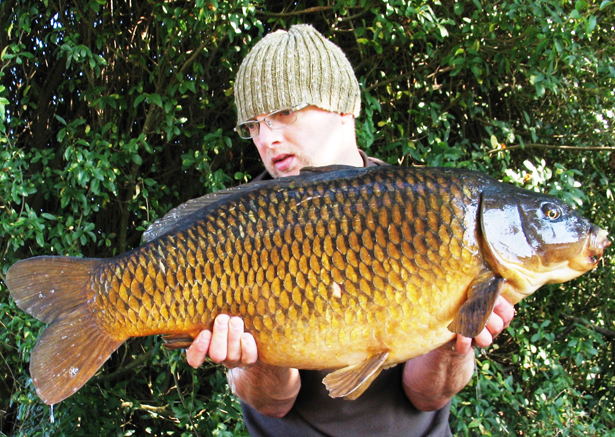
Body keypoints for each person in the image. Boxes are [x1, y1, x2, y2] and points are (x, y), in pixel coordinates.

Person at [185, 24, 515, 436]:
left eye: (285, 112)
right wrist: (252, 360)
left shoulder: (422, 206)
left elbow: (427, 395)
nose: (267, 138)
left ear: (342, 107)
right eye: (252, 125)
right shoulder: (237, 228)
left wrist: (455, 338)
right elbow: (275, 402)